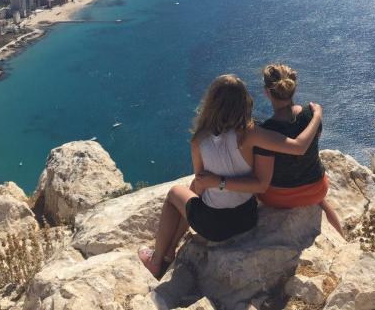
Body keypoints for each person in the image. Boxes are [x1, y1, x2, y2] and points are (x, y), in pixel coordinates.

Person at [138, 74, 323, 279]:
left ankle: (157, 261)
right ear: (245, 101)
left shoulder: (198, 140)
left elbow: (202, 182)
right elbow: (298, 147)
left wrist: (215, 184)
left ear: (211, 103)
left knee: (176, 193)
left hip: (212, 227)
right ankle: (169, 251)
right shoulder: (252, 133)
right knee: (192, 192)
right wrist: (316, 116)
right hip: (246, 219)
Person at [254, 64, 344, 236]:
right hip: (316, 189)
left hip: (277, 198)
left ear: (267, 92)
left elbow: (261, 177)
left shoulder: (266, 131)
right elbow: (314, 141)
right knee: (322, 202)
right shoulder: (311, 114)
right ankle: (343, 240)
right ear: (293, 88)